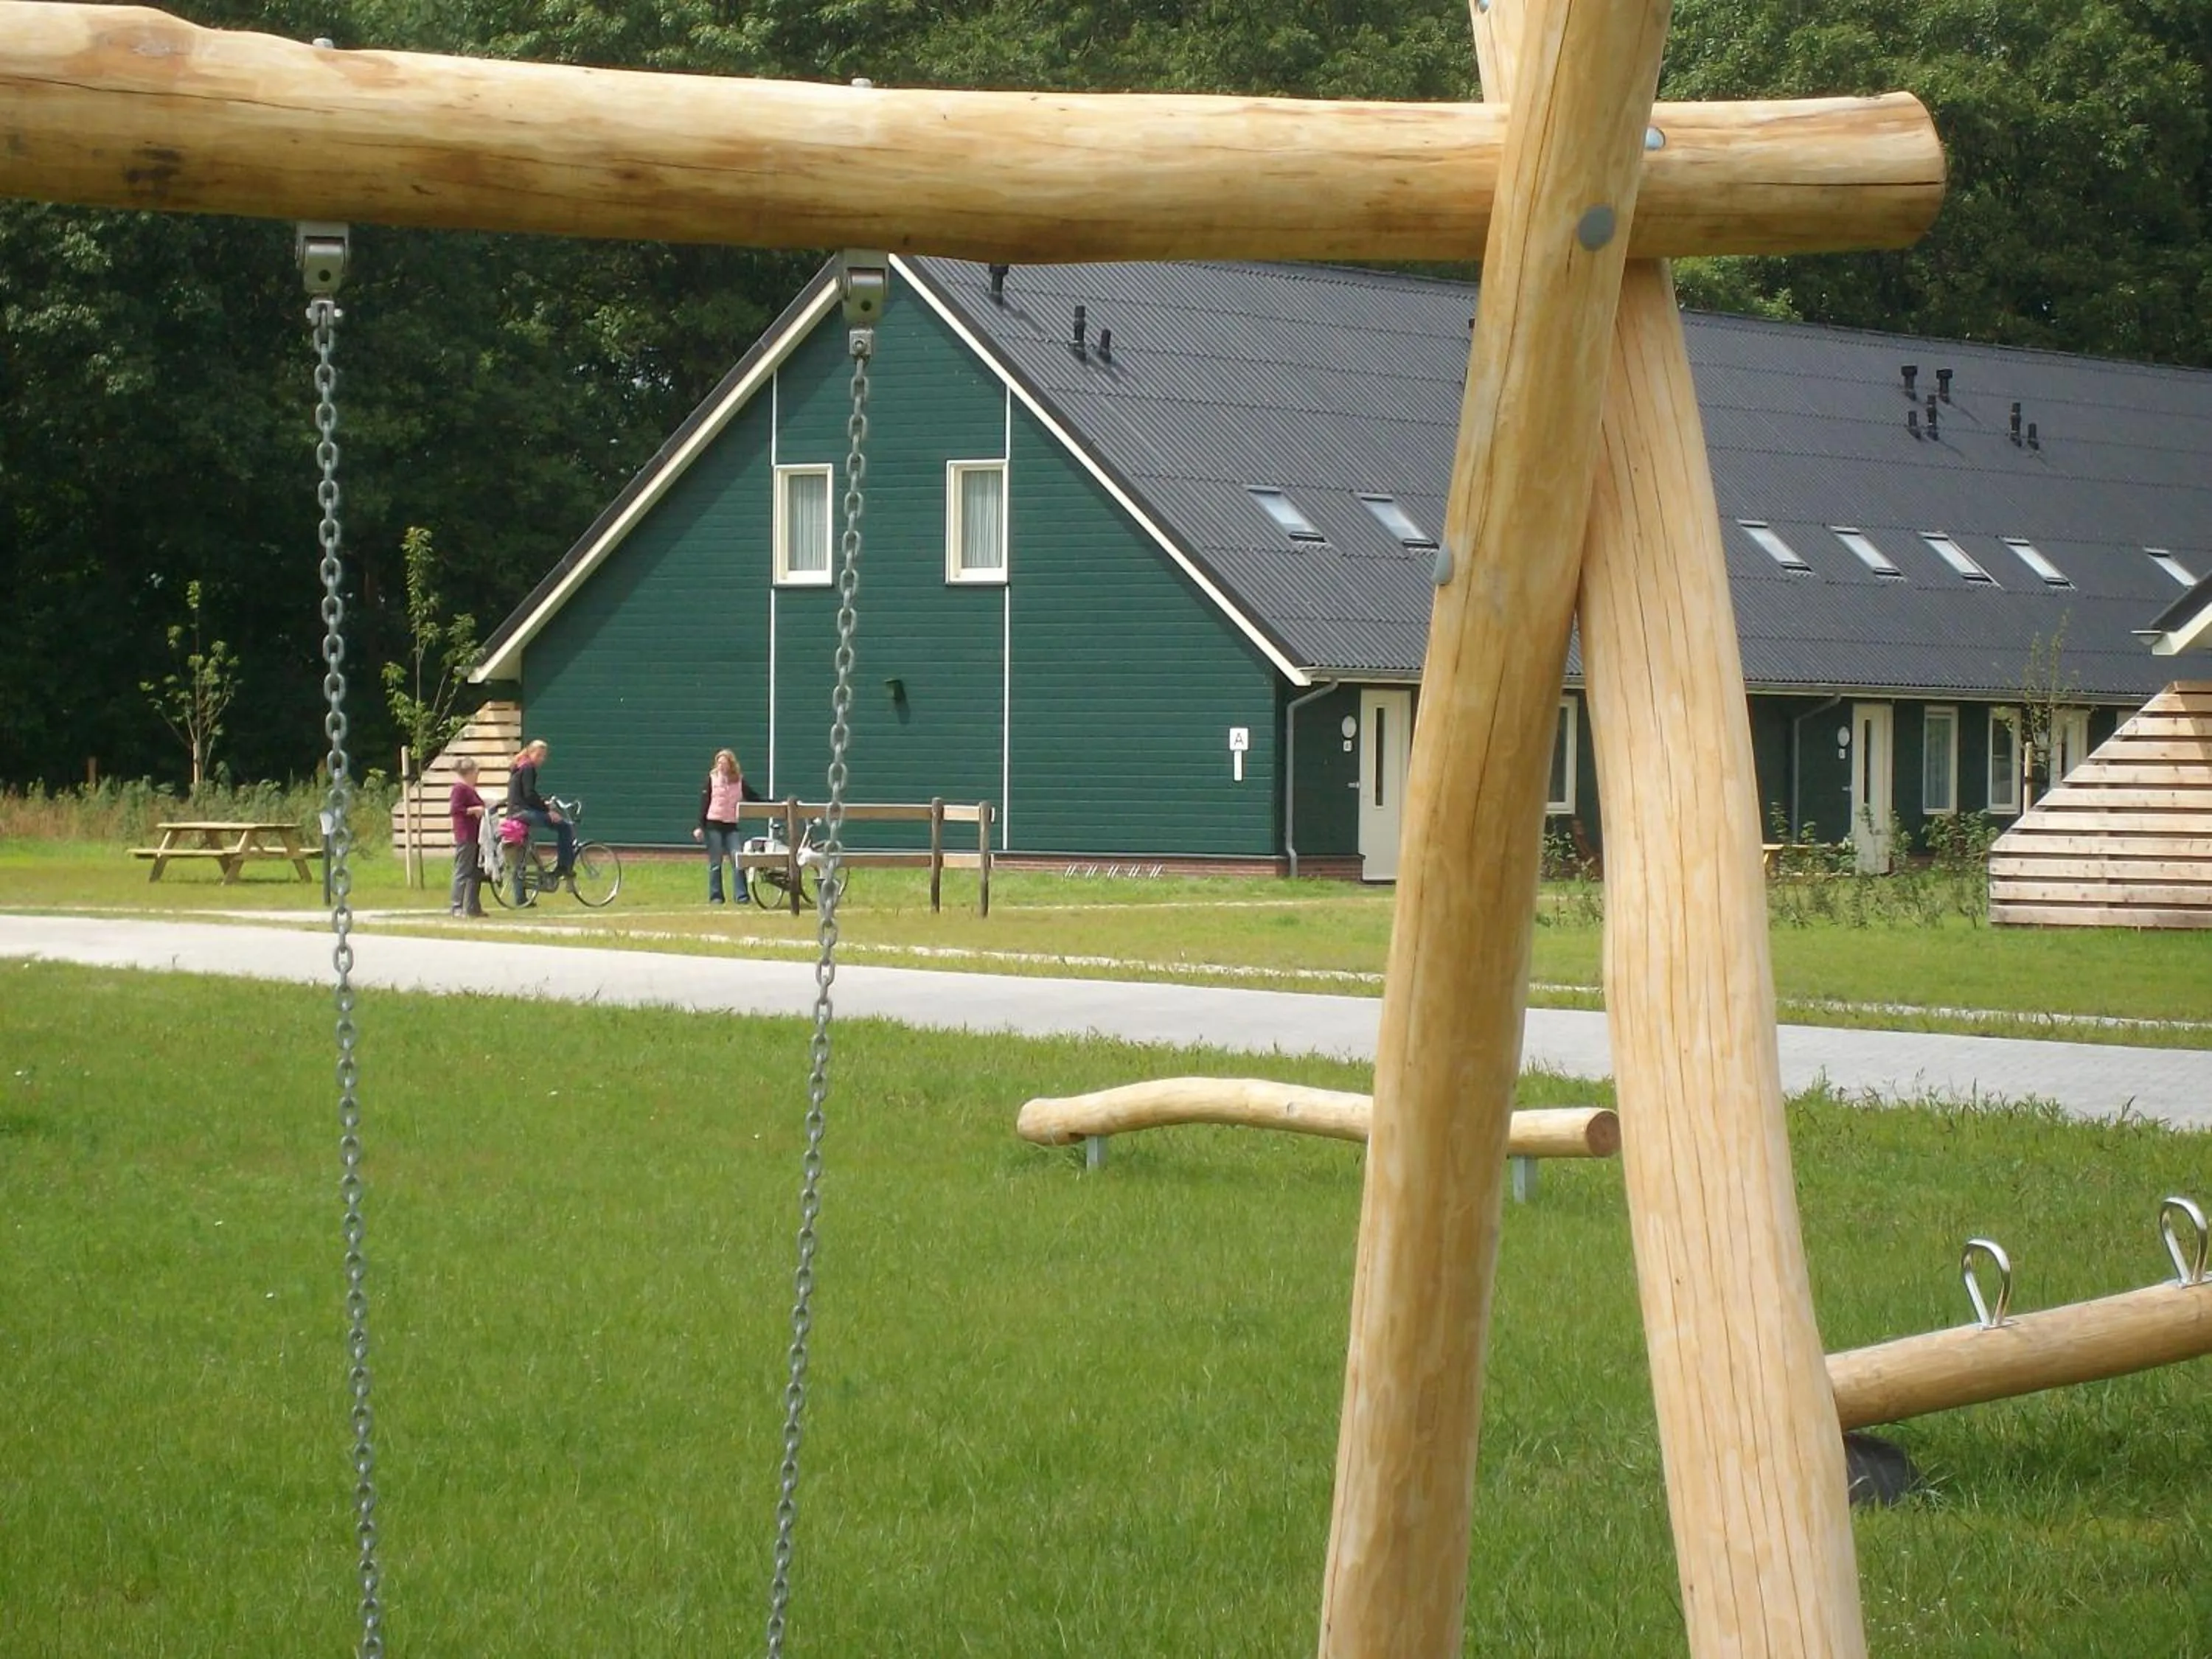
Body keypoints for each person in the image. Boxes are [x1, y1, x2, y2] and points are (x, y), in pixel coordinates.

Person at [505, 737, 575, 902]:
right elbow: (529, 794)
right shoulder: (529, 767)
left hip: (514, 812)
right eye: (539, 755)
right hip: (523, 812)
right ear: (531, 753)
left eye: (544, 756)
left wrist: (541, 803)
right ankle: (563, 868)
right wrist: (547, 810)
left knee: (522, 852)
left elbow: (524, 794)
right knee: (564, 827)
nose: (542, 759)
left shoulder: (519, 766)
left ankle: (520, 898)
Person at [693, 748, 751, 905]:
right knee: (716, 862)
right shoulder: (711, 779)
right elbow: (704, 803)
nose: (721, 766)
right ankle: (716, 896)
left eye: (724, 763)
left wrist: (771, 803)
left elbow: (753, 796)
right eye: (719, 763)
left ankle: (741, 896)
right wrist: (700, 826)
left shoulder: (738, 781)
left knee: (737, 858)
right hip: (714, 825)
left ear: (731, 765)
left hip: (731, 826)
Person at [448, 757, 487, 917]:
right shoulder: (460, 789)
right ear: (470, 772)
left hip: (476, 835)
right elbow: (455, 809)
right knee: (463, 871)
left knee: (475, 872)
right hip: (466, 835)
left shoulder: (470, 789)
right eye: (476, 772)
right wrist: (473, 810)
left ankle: (473, 906)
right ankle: (456, 906)